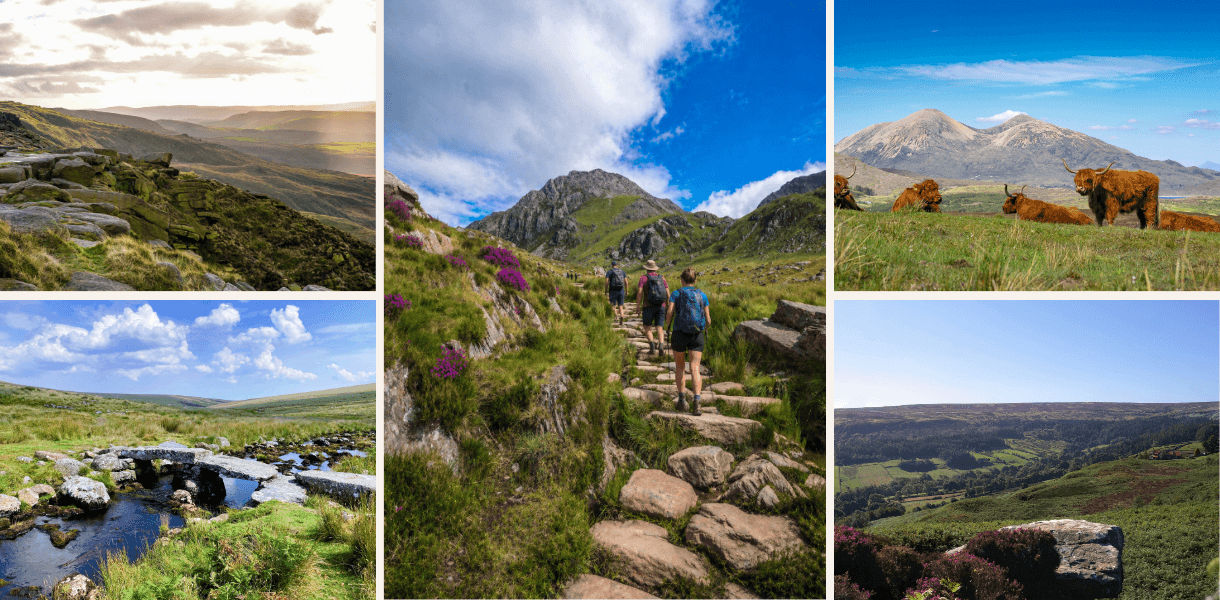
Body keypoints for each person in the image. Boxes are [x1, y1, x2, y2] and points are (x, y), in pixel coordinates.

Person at [665, 267, 710, 416]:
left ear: (681, 280)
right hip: (697, 335)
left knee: (680, 367)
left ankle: (682, 400)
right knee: (695, 367)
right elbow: (708, 319)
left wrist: (667, 326)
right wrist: (705, 327)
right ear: (695, 280)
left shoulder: (676, 293)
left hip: (679, 333)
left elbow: (670, 312)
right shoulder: (702, 295)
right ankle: (697, 402)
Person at [636, 259, 669, 354]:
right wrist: (667, 305)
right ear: (655, 269)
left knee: (647, 327)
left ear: (647, 268)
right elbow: (668, 293)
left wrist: (638, 306)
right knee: (659, 327)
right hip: (661, 305)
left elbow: (639, 292)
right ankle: (661, 345)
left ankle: (652, 346)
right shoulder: (662, 278)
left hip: (648, 306)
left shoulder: (643, 278)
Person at [604, 260, 628, 326]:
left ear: (612, 265)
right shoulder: (622, 272)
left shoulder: (609, 272)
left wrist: (605, 291)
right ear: (617, 265)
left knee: (613, 305)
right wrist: (626, 291)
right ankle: (622, 315)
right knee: (620, 306)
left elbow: (606, 282)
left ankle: (616, 317)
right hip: (621, 291)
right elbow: (626, 282)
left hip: (612, 291)